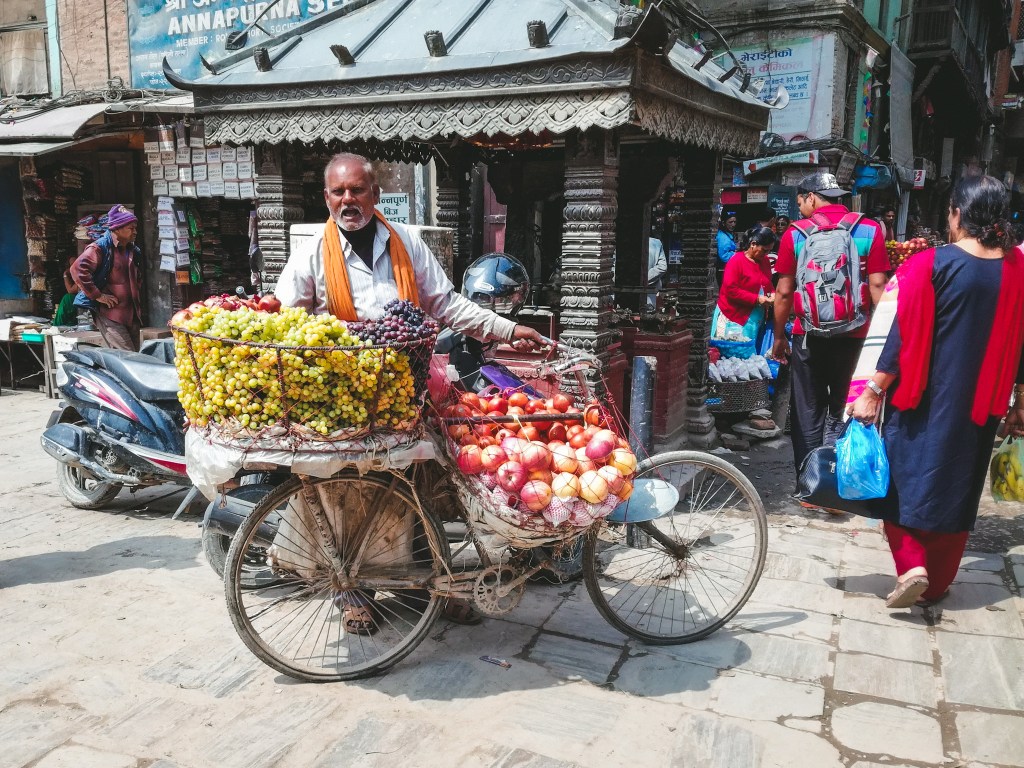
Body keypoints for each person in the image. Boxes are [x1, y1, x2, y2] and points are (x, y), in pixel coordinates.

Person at [276, 152, 545, 633]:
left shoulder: (406, 243)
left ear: (375, 195)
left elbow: (445, 303)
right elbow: (285, 322)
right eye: (338, 192)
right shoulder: (312, 252)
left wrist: (506, 329)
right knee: (345, 493)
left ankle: (430, 584)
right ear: (326, 198)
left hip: (404, 390)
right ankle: (351, 590)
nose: (348, 200)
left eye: (357, 190)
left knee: (423, 486)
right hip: (339, 399)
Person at [848, 175, 1024, 608]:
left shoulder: (932, 264)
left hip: (922, 398)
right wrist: (1021, 401)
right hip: (981, 404)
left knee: (896, 485)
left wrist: (872, 390)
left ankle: (912, 566)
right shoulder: (1017, 270)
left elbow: (902, 338)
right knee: (958, 491)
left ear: (959, 214)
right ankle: (940, 583)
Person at [771, 172, 889, 484]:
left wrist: (779, 336)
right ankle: (844, 484)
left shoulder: (795, 234)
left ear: (811, 198)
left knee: (807, 412)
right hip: (856, 337)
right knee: (848, 408)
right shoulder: (868, 229)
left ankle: (810, 486)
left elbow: (783, 292)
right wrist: (884, 338)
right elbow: (878, 286)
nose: (800, 210)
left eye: (800, 202)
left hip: (808, 336)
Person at [71, 205, 143, 351]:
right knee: (126, 357)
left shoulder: (132, 250)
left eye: (135, 228)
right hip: (111, 315)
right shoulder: (100, 248)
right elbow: (77, 269)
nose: (135, 232)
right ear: (117, 228)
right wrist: (98, 296)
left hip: (132, 314)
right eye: (131, 228)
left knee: (136, 358)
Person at [52, 255, 81, 327]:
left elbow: (70, 290)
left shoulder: (84, 274)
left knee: (67, 298)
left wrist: (65, 274)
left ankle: (58, 326)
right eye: (72, 265)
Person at [646, 235, 668, 311]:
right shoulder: (655, 243)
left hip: (649, 291)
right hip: (649, 291)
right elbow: (662, 267)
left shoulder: (656, 243)